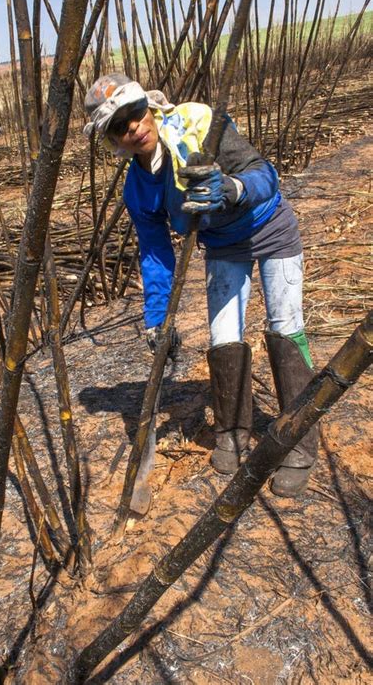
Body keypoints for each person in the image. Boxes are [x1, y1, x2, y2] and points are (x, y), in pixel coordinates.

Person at [83, 73, 318, 498]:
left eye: (134, 115)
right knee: (223, 336)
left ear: (148, 108)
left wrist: (231, 188)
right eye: (120, 126)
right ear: (112, 140)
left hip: (270, 227)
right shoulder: (138, 188)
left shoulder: (197, 122)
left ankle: (299, 442)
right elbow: (155, 253)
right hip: (224, 245)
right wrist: (157, 320)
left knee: (285, 328)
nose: (133, 128)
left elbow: (264, 173)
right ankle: (231, 431)